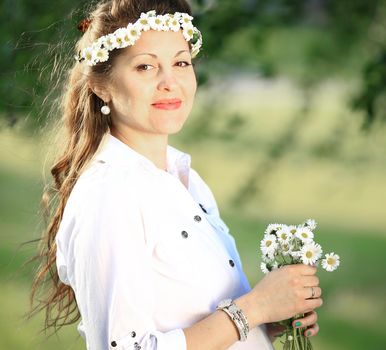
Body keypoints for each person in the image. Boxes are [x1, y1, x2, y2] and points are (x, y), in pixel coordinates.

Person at [30, 0, 322, 349]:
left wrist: (266, 321)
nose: (170, 82)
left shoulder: (184, 178)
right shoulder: (109, 194)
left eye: (181, 62)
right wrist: (252, 309)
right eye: (145, 67)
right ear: (101, 86)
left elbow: (189, 314)